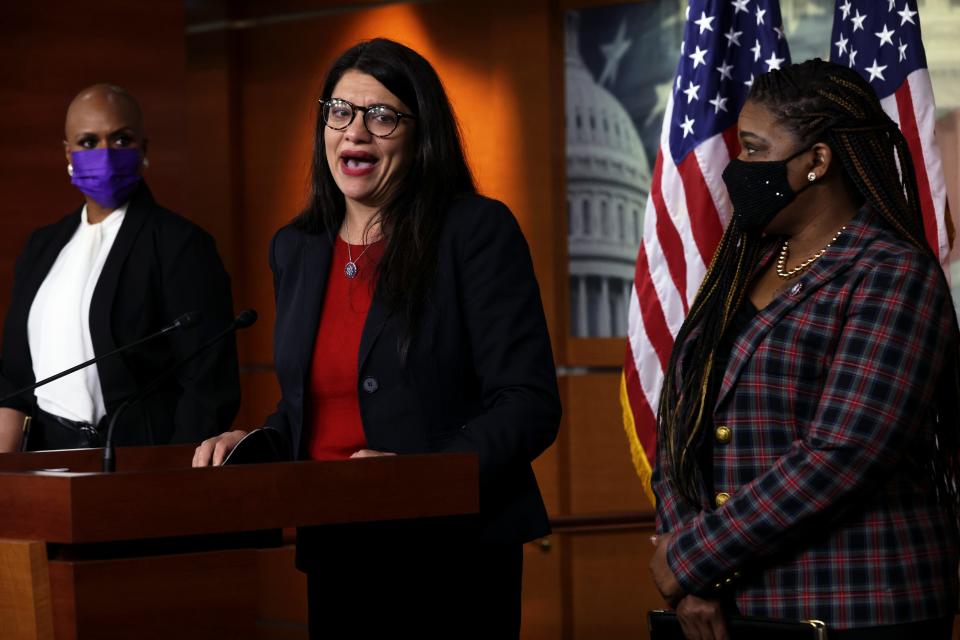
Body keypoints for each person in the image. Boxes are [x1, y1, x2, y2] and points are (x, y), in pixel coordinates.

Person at [192, 38, 560, 637]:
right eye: (339, 112)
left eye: (382, 116)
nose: (355, 132)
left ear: (421, 135)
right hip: (338, 550)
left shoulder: (474, 232)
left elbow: (529, 403)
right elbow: (309, 404)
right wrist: (254, 441)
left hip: (452, 554)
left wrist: (421, 476)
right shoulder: (297, 248)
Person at [648, 59, 960, 640]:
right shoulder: (745, 272)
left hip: (858, 606)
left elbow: (841, 454)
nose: (736, 169)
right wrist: (695, 575)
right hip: (731, 605)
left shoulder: (891, 274)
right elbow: (680, 423)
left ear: (816, 162)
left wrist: (691, 558)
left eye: (754, 150)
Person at [0, 84, 240, 452]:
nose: (105, 154)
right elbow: (14, 379)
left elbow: (208, 386)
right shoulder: (41, 247)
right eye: (88, 141)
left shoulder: (180, 244)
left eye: (120, 139)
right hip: (43, 458)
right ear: (68, 152)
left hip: (133, 463)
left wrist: (171, 477)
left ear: (143, 149)